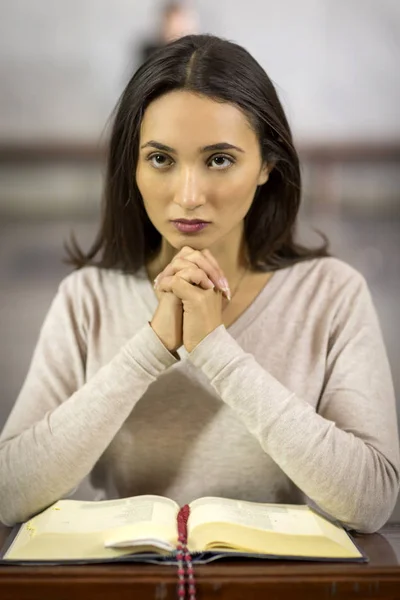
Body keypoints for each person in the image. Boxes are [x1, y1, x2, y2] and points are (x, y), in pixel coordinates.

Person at [0, 34, 398, 532]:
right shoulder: (87, 299)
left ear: (267, 166)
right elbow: (8, 493)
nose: (188, 197)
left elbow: (371, 502)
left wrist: (216, 349)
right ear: (134, 166)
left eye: (219, 159)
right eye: (162, 159)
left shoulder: (332, 294)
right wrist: (149, 348)